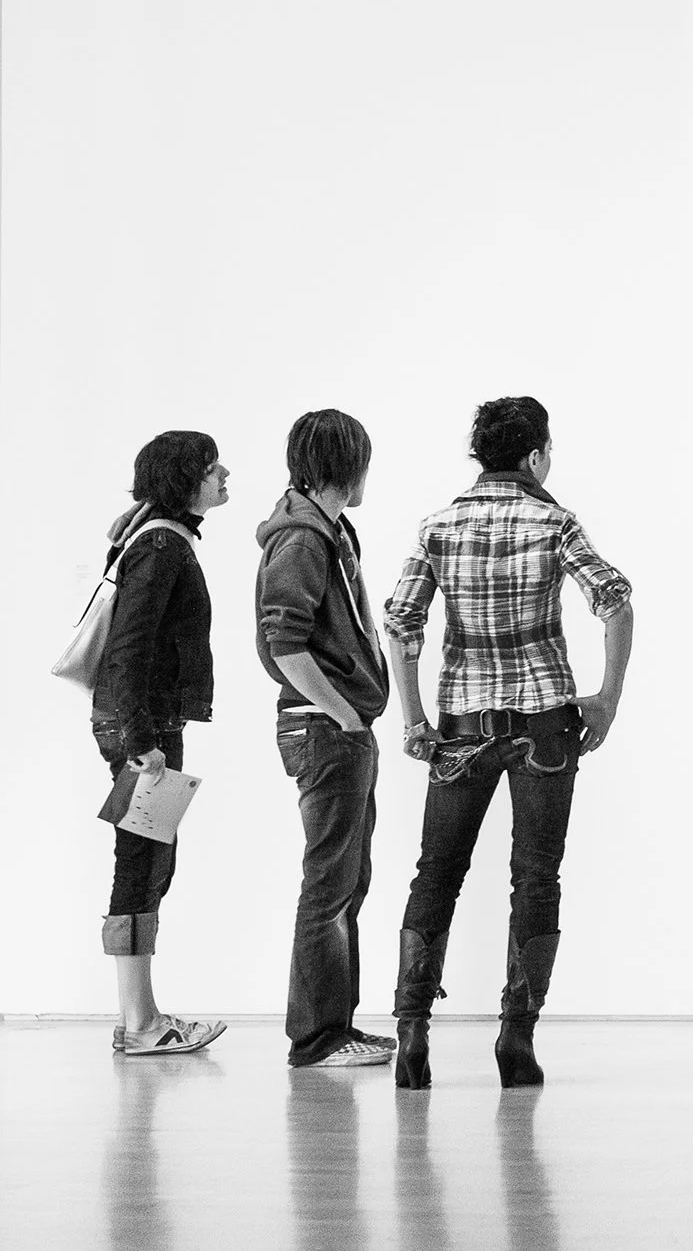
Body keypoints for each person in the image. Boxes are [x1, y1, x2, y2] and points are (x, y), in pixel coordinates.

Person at [383, 396, 634, 1088]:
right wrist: (607, 697)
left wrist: (413, 722)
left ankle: (411, 1032)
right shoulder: (554, 521)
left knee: (437, 872)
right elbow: (614, 598)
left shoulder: (438, 526)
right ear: (534, 456)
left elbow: (401, 621)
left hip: (462, 726)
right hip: (544, 726)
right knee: (536, 876)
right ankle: (516, 1039)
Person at [254, 409, 394, 1068]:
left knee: (346, 880)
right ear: (344, 464)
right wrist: (342, 712)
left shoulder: (331, 531)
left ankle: (336, 1026)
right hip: (324, 732)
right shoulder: (304, 540)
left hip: (340, 731)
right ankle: (317, 1038)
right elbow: (283, 644)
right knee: (328, 885)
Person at [93, 430, 231, 1056]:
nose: (224, 473)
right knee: (142, 863)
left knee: (148, 862)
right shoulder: (161, 545)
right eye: (211, 466)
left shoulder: (151, 534)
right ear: (185, 478)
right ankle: (140, 1024)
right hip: (142, 730)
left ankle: (141, 1017)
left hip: (145, 724)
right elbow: (128, 648)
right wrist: (142, 742)